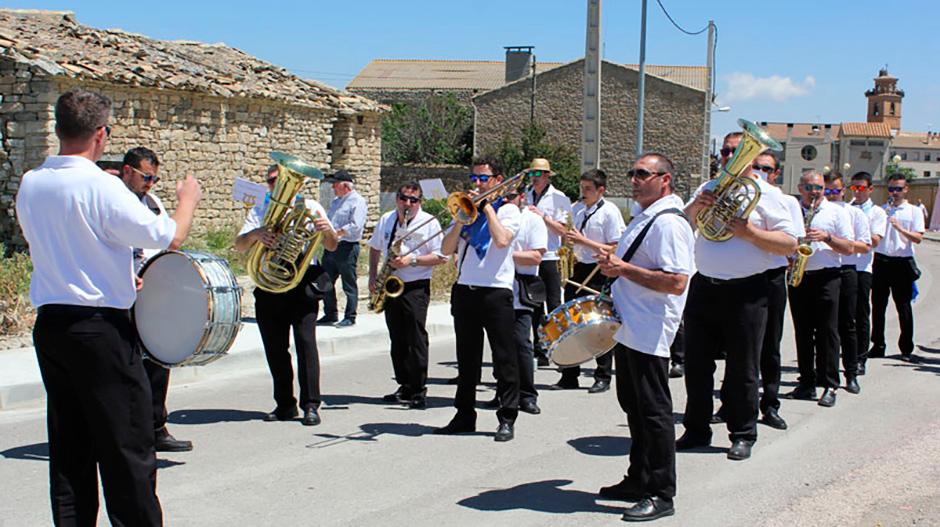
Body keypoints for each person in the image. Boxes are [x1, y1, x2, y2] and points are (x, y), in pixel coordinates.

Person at [16, 88, 202, 525]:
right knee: (128, 448)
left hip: (52, 326)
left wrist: (113, 274)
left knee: (70, 447)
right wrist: (187, 199)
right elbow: (170, 237)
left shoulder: (32, 181)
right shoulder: (103, 185)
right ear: (101, 134)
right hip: (100, 329)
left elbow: (64, 247)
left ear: (58, 128)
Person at [679, 135, 798, 461]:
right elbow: (685, 226)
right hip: (704, 285)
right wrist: (693, 209)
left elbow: (789, 244)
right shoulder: (709, 186)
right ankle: (696, 428)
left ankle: (743, 433)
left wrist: (749, 233)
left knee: (743, 367)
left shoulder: (771, 196)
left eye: (737, 150)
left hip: (748, 291)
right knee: (697, 364)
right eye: (726, 151)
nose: (730, 156)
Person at [595, 153, 694, 522]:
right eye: (632, 173)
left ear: (665, 179)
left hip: (651, 330)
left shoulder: (669, 223)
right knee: (634, 409)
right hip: (630, 327)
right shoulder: (645, 216)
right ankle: (638, 478)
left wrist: (623, 268)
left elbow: (676, 281)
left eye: (642, 174)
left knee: (654, 414)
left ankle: (661, 492)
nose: (634, 180)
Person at [235, 165, 339, 425]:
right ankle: (284, 404)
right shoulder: (260, 210)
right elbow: (239, 245)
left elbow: (331, 245)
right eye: (271, 181)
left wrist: (327, 230)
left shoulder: (312, 207)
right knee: (275, 349)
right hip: (269, 284)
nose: (275, 185)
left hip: (301, 283)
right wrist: (256, 235)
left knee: (306, 346)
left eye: (279, 180)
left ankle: (311, 405)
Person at [434, 155, 521, 442]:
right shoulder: (465, 213)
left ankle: (506, 417)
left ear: (497, 181)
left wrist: (486, 208)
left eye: (483, 179)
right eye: (474, 179)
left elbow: (502, 240)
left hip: (496, 292)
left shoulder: (508, 211)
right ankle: (463, 415)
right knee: (466, 359)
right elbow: (447, 249)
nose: (477, 183)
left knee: (504, 357)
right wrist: (460, 220)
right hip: (466, 290)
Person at [118, 146, 193, 452]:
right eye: (145, 177)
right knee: (128, 364)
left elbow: (168, 242)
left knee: (158, 360)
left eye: (154, 178)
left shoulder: (153, 202)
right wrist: (188, 202)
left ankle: (155, 426)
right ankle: (130, 430)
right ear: (127, 171)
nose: (150, 183)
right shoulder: (118, 200)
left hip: (154, 292)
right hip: (125, 294)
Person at [368, 182, 446, 409]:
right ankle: (404, 384)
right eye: (404, 198)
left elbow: (441, 256)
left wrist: (411, 260)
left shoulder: (429, 221)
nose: (408, 204)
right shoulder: (387, 219)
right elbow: (374, 248)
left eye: (414, 200)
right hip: (391, 283)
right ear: (397, 198)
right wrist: (373, 276)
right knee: (397, 338)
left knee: (415, 338)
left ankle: (419, 389)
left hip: (415, 285)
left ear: (420, 201)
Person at [784, 171, 854, 407]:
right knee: (802, 332)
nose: (814, 192)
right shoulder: (792, 210)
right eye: (809, 187)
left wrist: (827, 237)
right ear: (800, 187)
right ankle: (806, 383)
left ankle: (830, 384)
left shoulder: (837, 212)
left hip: (827, 276)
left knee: (827, 333)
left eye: (818, 188)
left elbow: (849, 248)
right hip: (799, 275)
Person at [553, 168, 626, 393]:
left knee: (600, 323)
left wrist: (583, 241)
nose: (582, 193)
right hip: (577, 268)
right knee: (570, 322)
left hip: (599, 269)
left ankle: (602, 375)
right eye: (581, 188)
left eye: (588, 189)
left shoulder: (610, 212)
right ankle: (569, 374)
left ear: (600, 190)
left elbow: (616, 247)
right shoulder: (575, 209)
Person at [755, 152, 805, 430]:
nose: (759, 171)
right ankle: (732, 402)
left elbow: (793, 243)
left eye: (766, 168)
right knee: (740, 349)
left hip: (771, 278)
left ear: (775, 174)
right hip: (742, 278)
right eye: (756, 167)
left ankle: (770, 404)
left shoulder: (786, 201)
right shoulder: (742, 193)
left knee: (770, 346)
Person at [824, 172, 872, 394]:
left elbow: (865, 245)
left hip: (847, 270)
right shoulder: (819, 211)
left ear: (843, 191)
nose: (832, 195)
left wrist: (840, 242)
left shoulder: (854, 213)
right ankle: (824, 374)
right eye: (828, 191)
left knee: (847, 324)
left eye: (836, 190)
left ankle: (851, 373)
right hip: (824, 270)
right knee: (825, 327)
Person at [501, 189, 547, 415]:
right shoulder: (497, 217)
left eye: (512, 196)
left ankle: (528, 395)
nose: (508, 201)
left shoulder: (532, 220)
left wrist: (503, 253)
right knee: (501, 347)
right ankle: (504, 393)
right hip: (498, 290)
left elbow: (536, 256)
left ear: (522, 196)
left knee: (521, 344)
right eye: (505, 197)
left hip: (521, 291)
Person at [870, 174, 925, 362]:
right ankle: (878, 344)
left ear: (906, 189)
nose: (895, 193)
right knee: (878, 306)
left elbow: (918, 237)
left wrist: (900, 228)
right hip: (882, 261)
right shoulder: (882, 210)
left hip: (902, 262)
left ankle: (906, 347)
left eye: (898, 189)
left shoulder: (913, 211)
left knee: (903, 307)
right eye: (892, 189)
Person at [524, 158, 573, 367]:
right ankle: (540, 349)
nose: (533, 179)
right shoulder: (526, 195)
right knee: (534, 304)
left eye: (537, 174)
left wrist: (542, 216)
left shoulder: (559, 198)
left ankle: (559, 347)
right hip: (531, 254)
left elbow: (562, 230)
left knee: (553, 304)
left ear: (546, 176)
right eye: (531, 174)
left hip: (550, 255)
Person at [849, 172, 887, 374]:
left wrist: (848, 241)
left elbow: (874, 241)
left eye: (861, 188)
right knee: (843, 316)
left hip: (863, 268)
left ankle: (860, 358)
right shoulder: (846, 208)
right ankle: (846, 355)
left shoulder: (877, 212)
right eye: (854, 187)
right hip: (844, 265)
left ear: (870, 189)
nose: (857, 192)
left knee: (861, 314)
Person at [319, 169, 367, 328]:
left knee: (348, 283)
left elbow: (356, 225)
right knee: (325, 279)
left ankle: (350, 316)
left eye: (336, 184)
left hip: (347, 246)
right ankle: (330, 313)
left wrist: (336, 232)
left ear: (345, 185)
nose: (333, 187)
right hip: (331, 245)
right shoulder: (336, 201)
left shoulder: (357, 201)